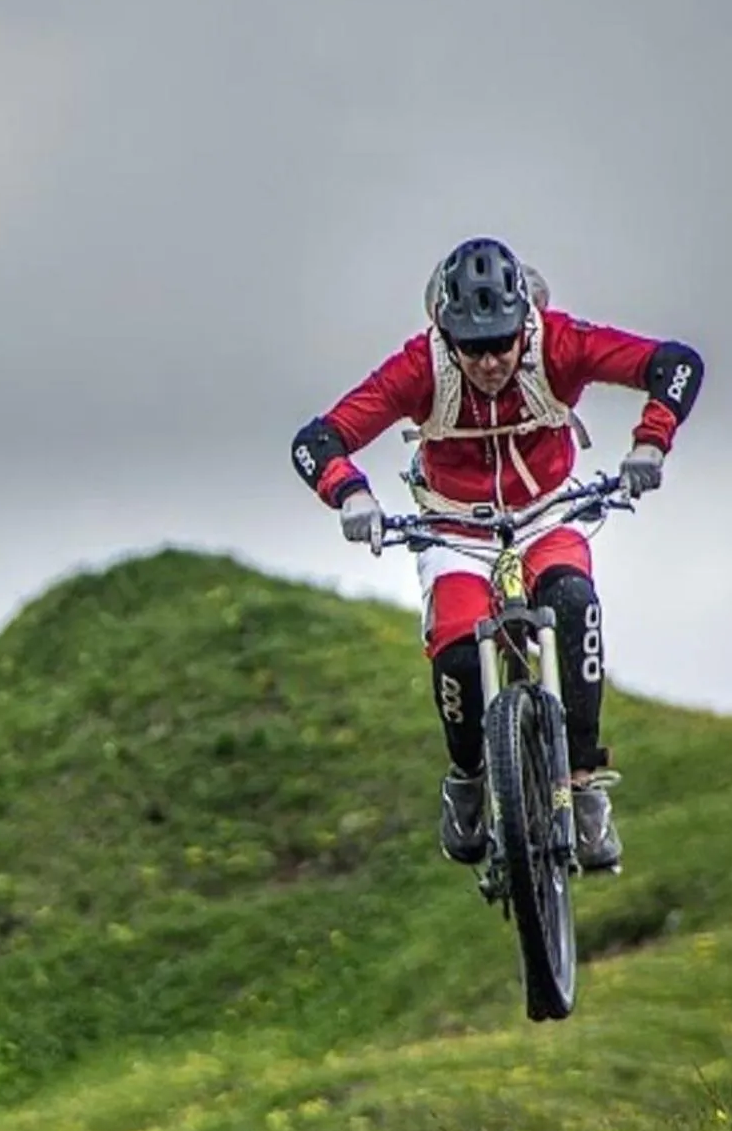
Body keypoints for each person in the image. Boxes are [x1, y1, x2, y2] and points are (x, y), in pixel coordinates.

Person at [290, 236, 703, 873]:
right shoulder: (419, 368)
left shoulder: (560, 344)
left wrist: (651, 443)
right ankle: (467, 778)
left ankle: (586, 787)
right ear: (444, 334)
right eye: (472, 347)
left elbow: (676, 365)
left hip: (549, 510)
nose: (489, 362)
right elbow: (317, 441)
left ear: (524, 324)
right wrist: (350, 495)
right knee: (456, 651)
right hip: (452, 526)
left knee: (573, 603)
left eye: (502, 343)